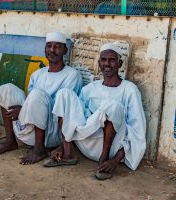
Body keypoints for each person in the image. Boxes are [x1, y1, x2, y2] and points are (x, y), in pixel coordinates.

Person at [44, 42, 146, 180]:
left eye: (112, 60)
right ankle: (68, 152)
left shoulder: (130, 90)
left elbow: (137, 130)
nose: (107, 64)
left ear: (120, 63)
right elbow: (74, 117)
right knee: (64, 94)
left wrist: (115, 160)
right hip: (86, 143)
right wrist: (61, 146)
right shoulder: (90, 88)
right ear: (99, 63)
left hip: (112, 148)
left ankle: (103, 161)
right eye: (103, 60)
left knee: (113, 106)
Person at [0, 32, 83, 165]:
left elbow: (64, 108)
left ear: (65, 50)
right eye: (49, 46)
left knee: (38, 94)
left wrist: (22, 111)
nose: (52, 50)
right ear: (45, 50)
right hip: (30, 130)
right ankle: (10, 141)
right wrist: (24, 111)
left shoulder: (72, 75)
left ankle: (40, 149)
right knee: (7, 88)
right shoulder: (37, 74)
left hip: (52, 133)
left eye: (57, 47)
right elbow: (31, 103)